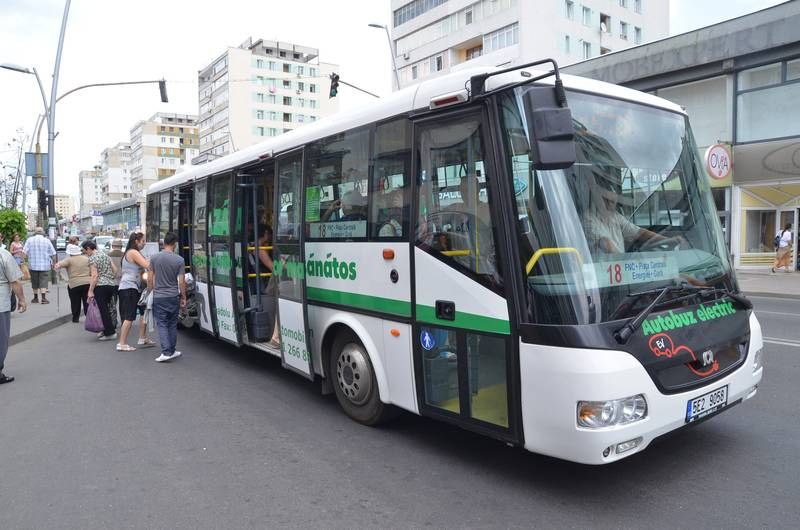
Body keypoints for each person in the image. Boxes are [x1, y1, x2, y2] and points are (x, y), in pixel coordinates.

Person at [147, 232, 186, 362]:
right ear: (174, 244)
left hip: (159, 296)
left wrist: (149, 292)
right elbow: (181, 282)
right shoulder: (179, 260)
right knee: (172, 324)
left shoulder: (154, 258)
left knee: (162, 323)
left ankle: (166, 352)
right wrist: (183, 297)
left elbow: (150, 279)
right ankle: (172, 350)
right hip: (173, 296)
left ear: (164, 244)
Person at [116, 232, 155, 351]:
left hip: (134, 287)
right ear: (136, 241)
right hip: (129, 287)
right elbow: (147, 265)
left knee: (144, 311)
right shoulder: (133, 252)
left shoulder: (133, 252)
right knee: (129, 316)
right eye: (143, 241)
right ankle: (121, 343)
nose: (144, 243)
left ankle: (142, 338)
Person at [249, 224, 280, 348]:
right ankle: (276, 336)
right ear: (266, 233)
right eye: (270, 233)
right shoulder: (260, 249)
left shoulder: (253, 245)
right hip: (262, 283)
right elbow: (273, 268)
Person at [0, 245, 27, 384]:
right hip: (1, 304)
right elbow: (15, 281)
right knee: (1, 339)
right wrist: (21, 299)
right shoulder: (4, 255)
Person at [83, 239, 118, 341]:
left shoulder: (93, 259)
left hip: (100, 286)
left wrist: (90, 290)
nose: (85, 254)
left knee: (103, 310)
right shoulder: (105, 255)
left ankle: (110, 333)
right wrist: (110, 279)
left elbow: (94, 276)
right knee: (107, 308)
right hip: (110, 285)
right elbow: (115, 269)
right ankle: (105, 330)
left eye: (85, 251)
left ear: (89, 248)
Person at [54, 244, 91, 323]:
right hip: (87, 283)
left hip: (74, 284)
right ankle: (89, 317)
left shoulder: (69, 259)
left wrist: (56, 266)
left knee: (75, 302)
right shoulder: (86, 258)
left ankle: (75, 318)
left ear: (70, 253)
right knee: (86, 301)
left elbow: (58, 265)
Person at [22, 227, 56, 304]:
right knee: (43, 281)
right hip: (45, 265)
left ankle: (35, 298)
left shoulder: (29, 240)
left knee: (34, 281)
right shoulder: (47, 241)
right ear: (42, 232)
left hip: (33, 265)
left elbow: (24, 252)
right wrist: (54, 263)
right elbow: (53, 254)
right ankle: (43, 298)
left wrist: (23, 262)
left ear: (35, 232)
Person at [107, 239, 125, 332]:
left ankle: (114, 322)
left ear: (112, 246)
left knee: (112, 303)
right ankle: (124, 321)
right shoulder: (125, 255)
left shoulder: (108, 255)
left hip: (112, 282)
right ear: (121, 246)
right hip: (123, 282)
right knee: (123, 303)